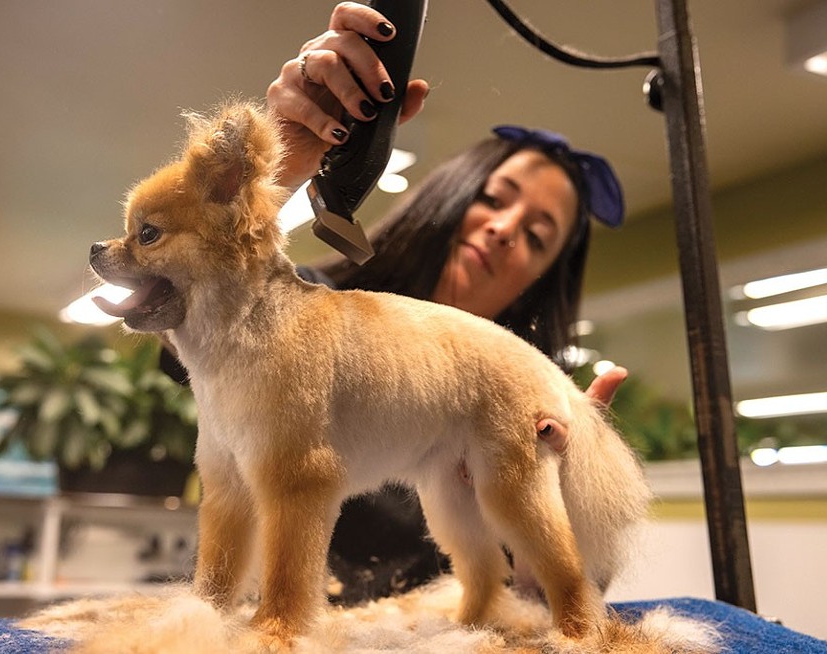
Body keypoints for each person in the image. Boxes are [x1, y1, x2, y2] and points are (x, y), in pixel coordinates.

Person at [164, 2, 631, 606]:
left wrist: (560, 499)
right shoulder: (298, 311)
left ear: (542, 279)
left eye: (538, 236)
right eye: (495, 198)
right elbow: (181, 317)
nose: (505, 229)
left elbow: (555, 596)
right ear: (450, 196)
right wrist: (267, 174)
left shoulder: (520, 393)